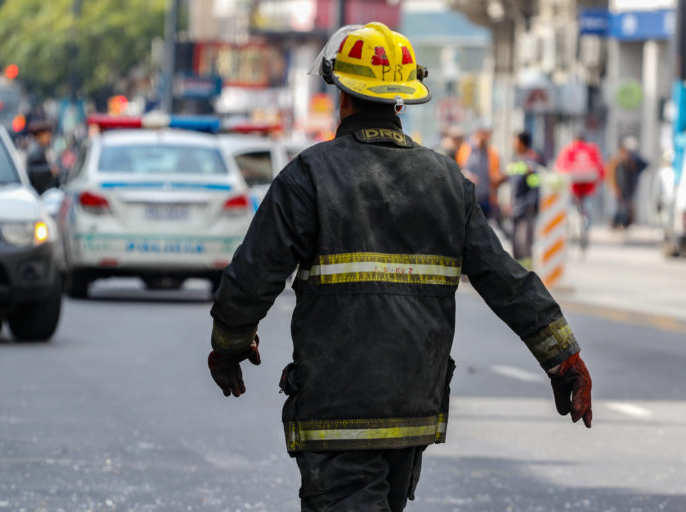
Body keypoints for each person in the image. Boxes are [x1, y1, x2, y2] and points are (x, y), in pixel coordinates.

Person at [207, 22, 592, 512]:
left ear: (342, 92)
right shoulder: (447, 180)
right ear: (401, 100)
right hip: (412, 412)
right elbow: (504, 279)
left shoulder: (309, 175)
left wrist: (229, 345)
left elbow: (253, 275)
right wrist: (564, 358)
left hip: (337, 413)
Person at [507, 131, 542, 269]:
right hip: (515, 206)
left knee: (524, 242)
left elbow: (534, 184)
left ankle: (527, 270)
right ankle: (518, 268)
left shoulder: (530, 161)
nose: (512, 143)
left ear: (521, 143)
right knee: (515, 241)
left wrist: (532, 203)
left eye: (514, 140)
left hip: (526, 206)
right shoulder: (515, 160)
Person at [456, 122, 505, 219]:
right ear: (478, 132)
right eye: (485, 133)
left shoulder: (492, 153)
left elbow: (496, 174)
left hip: (486, 200)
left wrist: (499, 178)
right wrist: (465, 175)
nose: (487, 137)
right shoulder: (465, 149)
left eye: (489, 134)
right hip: (467, 200)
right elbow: (456, 170)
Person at [610, 136, 648, 229]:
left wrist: (632, 158)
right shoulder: (616, 160)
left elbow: (645, 164)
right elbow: (612, 175)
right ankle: (618, 223)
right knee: (621, 206)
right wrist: (615, 188)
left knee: (627, 206)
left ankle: (625, 223)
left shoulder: (632, 160)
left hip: (630, 187)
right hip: (620, 188)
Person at [25, 119, 59, 195]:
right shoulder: (35, 150)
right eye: (47, 135)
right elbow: (34, 170)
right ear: (40, 136)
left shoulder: (41, 148)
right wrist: (50, 170)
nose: (49, 137)